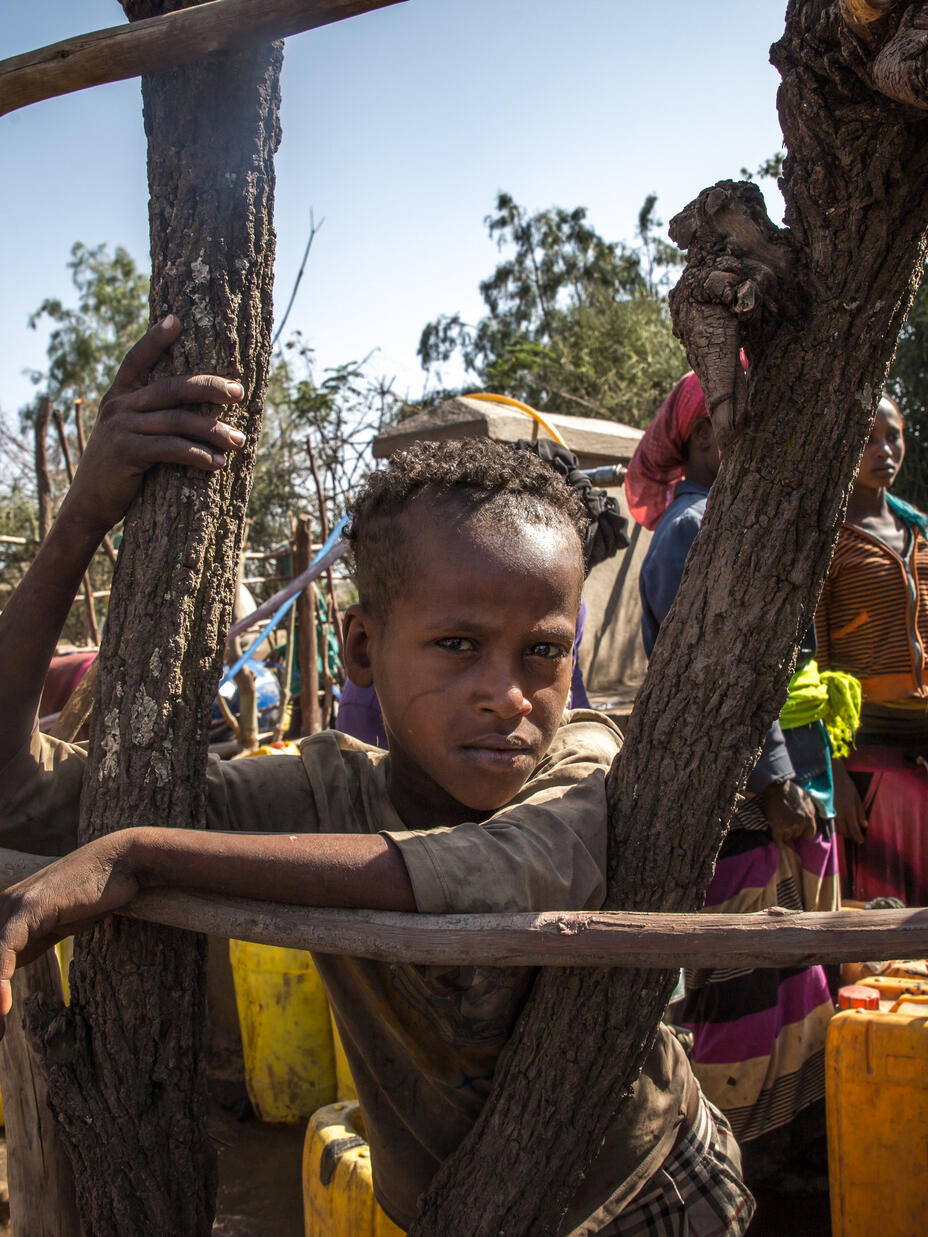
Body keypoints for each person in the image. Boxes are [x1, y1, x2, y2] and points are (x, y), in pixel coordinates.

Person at [0, 320, 754, 1236]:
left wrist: (139, 853)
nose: (507, 696)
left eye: (543, 652)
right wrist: (83, 515)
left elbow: (497, 867)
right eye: (457, 646)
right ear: (362, 648)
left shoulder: (587, 762)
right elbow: (22, 791)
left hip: (650, 1197)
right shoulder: (324, 796)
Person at [626, 370, 840, 1182]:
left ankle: (777, 1148)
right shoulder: (694, 529)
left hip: (776, 797)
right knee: (745, 997)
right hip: (744, 805)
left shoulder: (731, 520)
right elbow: (716, 675)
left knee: (789, 986)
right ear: (703, 435)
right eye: (736, 420)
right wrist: (776, 777)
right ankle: (723, 1163)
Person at [816, 394, 928, 907]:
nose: (884, 449)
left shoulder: (920, 532)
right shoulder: (830, 541)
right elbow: (815, 661)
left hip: (921, 756)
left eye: (894, 436)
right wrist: (834, 768)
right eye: (869, 439)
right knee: (879, 929)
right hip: (868, 763)